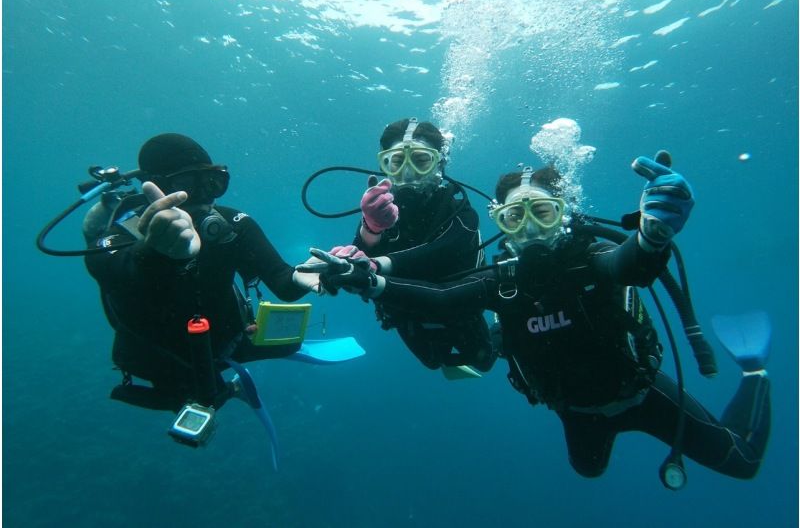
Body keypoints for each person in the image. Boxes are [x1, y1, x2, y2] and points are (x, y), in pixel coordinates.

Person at [301, 154, 771, 482]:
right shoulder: (503, 280)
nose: (528, 229)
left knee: (744, 463)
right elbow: (444, 299)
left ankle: (754, 370)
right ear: (498, 219)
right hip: (576, 411)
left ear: (563, 215)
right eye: (514, 218)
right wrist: (369, 279)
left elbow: (632, 265)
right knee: (588, 471)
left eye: (541, 213)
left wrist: (653, 236)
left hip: (642, 394)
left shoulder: (592, 257)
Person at [84, 133, 322, 413]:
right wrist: (153, 250)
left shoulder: (232, 223)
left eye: (212, 182)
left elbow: (284, 283)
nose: (204, 195)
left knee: (288, 346)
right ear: (157, 185)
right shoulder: (126, 231)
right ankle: (225, 390)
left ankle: (226, 384)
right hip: (161, 358)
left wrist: (306, 275)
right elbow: (104, 266)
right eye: (185, 184)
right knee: (195, 396)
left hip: (228, 343)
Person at [329, 117, 497, 374]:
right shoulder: (380, 211)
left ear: (439, 163)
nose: (408, 172)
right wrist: (369, 230)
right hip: (406, 312)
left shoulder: (460, 213)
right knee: (432, 362)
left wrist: (376, 265)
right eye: (397, 161)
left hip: (458, 310)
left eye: (421, 160)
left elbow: (439, 252)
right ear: (385, 164)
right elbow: (360, 255)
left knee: (484, 361)